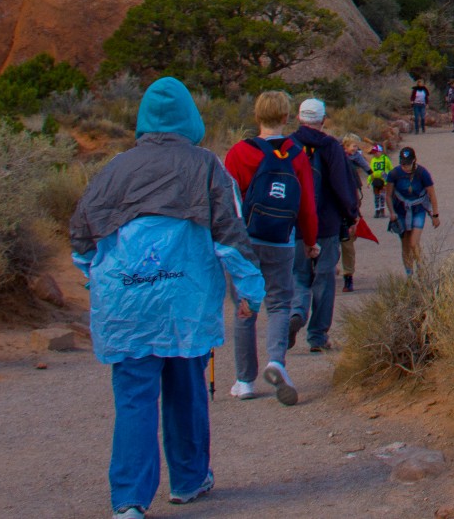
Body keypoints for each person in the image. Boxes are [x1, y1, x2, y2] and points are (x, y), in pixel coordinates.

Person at [70, 78, 262, 519]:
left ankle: (129, 501)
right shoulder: (207, 166)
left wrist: (95, 280)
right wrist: (249, 291)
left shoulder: (113, 169)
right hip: (184, 302)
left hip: (126, 302)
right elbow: (231, 237)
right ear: (189, 118)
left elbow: (81, 241)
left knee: (134, 396)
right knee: (187, 387)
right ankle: (189, 480)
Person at [222, 91, 318, 405]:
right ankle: (276, 361)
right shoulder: (296, 153)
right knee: (279, 303)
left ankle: (244, 381)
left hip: (247, 240)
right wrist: (310, 240)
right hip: (281, 239)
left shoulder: (239, 152)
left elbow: (228, 202)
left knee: (245, 307)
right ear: (286, 118)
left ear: (256, 116)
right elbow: (306, 204)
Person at [289, 97, 360, 355]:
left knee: (298, 274)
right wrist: (351, 214)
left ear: (299, 118)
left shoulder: (289, 144)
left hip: (296, 224)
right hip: (327, 224)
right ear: (322, 120)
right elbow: (342, 185)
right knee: (324, 277)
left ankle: (296, 312)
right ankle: (317, 336)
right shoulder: (331, 146)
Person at [386, 146, 439, 276]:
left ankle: (422, 269)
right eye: (403, 164)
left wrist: (435, 214)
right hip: (401, 211)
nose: (405, 167)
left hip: (418, 209)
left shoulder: (422, 173)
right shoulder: (394, 174)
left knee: (414, 242)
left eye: (408, 163)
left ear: (414, 160)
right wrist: (392, 212)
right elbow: (388, 195)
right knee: (405, 243)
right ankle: (409, 273)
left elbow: (431, 194)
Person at [338, 135, 373, 292]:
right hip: (333, 210)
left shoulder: (349, 168)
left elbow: (355, 195)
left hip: (347, 210)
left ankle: (348, 275)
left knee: (347, 243)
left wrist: (354, 214)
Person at [367, 143, 392, 218]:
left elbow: (391, 168)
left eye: (376, 152)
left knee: (382, 196)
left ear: (380, 151)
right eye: (374, 152)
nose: (375, 154)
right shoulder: (373, 160)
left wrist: (391, 179)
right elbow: (371, 171)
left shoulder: (385, 159)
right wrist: (369, 181)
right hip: (375, 179)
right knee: (376, 196)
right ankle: (377, 211)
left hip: (383, 179)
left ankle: (382, 211)